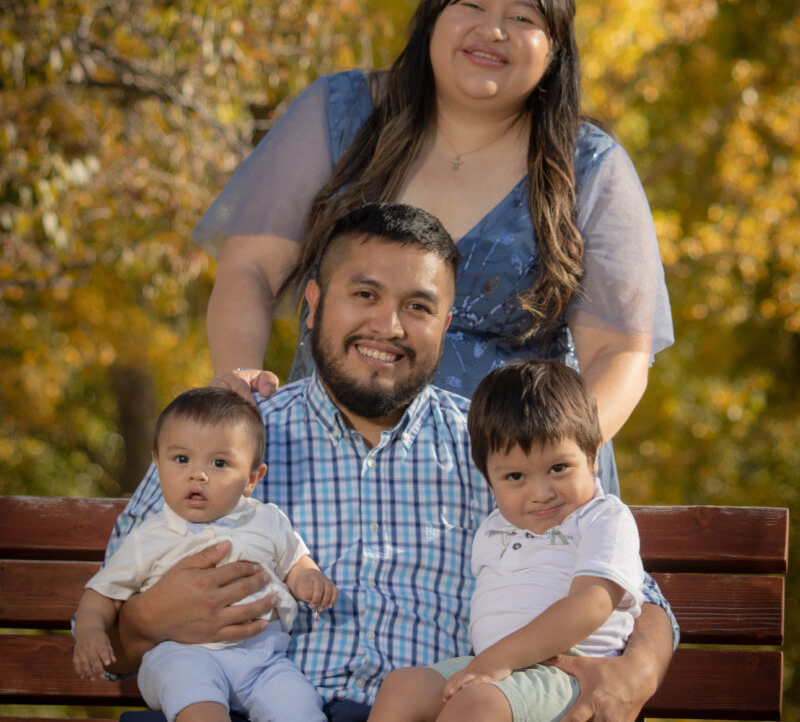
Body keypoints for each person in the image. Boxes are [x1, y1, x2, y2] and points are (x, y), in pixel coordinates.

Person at [108, 205, 673, 722]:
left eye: (418, 306)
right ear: (313, 305)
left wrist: (637, 671)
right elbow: (110, 631)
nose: (390, 326)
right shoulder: (226, 444)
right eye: (365, 295)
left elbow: (639, 596)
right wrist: (148, 619)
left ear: (445, 324)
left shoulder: (499, 452)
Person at [197, 0, 673, 501]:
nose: (492, 29)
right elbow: (250, 268)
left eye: (524, 18)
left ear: (555, 50)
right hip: (327, 470)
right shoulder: (340, 116)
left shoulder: (589, 169)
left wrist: (538, 471)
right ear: (433, 17)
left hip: (510, 497)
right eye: (472, 4)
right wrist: (240, 398)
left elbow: (619, 353)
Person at [368, 359, 644, 722]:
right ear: (488, 478)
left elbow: (592, 604)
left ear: (592, 455)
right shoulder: (493, 528)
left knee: (476, 705)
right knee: (403, 687)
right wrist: (491, 663)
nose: (541, 493)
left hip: (568, 668)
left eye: (558, 468)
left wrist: (497, 660)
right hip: (495, 668)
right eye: (515, 476)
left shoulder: (602, 517)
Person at [74, 387, 336, 722]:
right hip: (181, 655)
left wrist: (308, 577)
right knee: (198, 705)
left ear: (251, 478)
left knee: (300, 708)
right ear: (157, 464)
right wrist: (90, 632)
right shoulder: (149, 535)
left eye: (219, 462)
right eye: (181, 459)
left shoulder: (266, 519)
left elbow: (295, 561)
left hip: (264, 659)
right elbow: (102, 593)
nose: (198, 473)